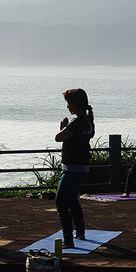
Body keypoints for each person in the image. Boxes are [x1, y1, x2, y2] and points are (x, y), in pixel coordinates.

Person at [54, 88, 95, 248]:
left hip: (72, 169)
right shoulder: (88, 120)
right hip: (81, 167)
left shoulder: (78, 122)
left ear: (76, 104)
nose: (68, 107)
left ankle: (68, 240)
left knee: (60, 202)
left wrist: (63, 127)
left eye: (69, 104)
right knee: (71, 201)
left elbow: (59, 138)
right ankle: (80, 232)